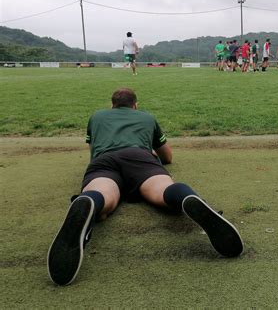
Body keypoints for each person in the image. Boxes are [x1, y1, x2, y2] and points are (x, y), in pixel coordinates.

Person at [47, 88, 244, 286]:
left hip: (104, 161)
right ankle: (186, 198)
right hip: (139, 157)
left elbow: (93, 151)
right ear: (135, 105)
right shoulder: (147, 117)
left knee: (101, 193)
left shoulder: (96, 117)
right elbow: (167, 156)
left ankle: (89, 201)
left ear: (112, 104)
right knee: (163, 190)